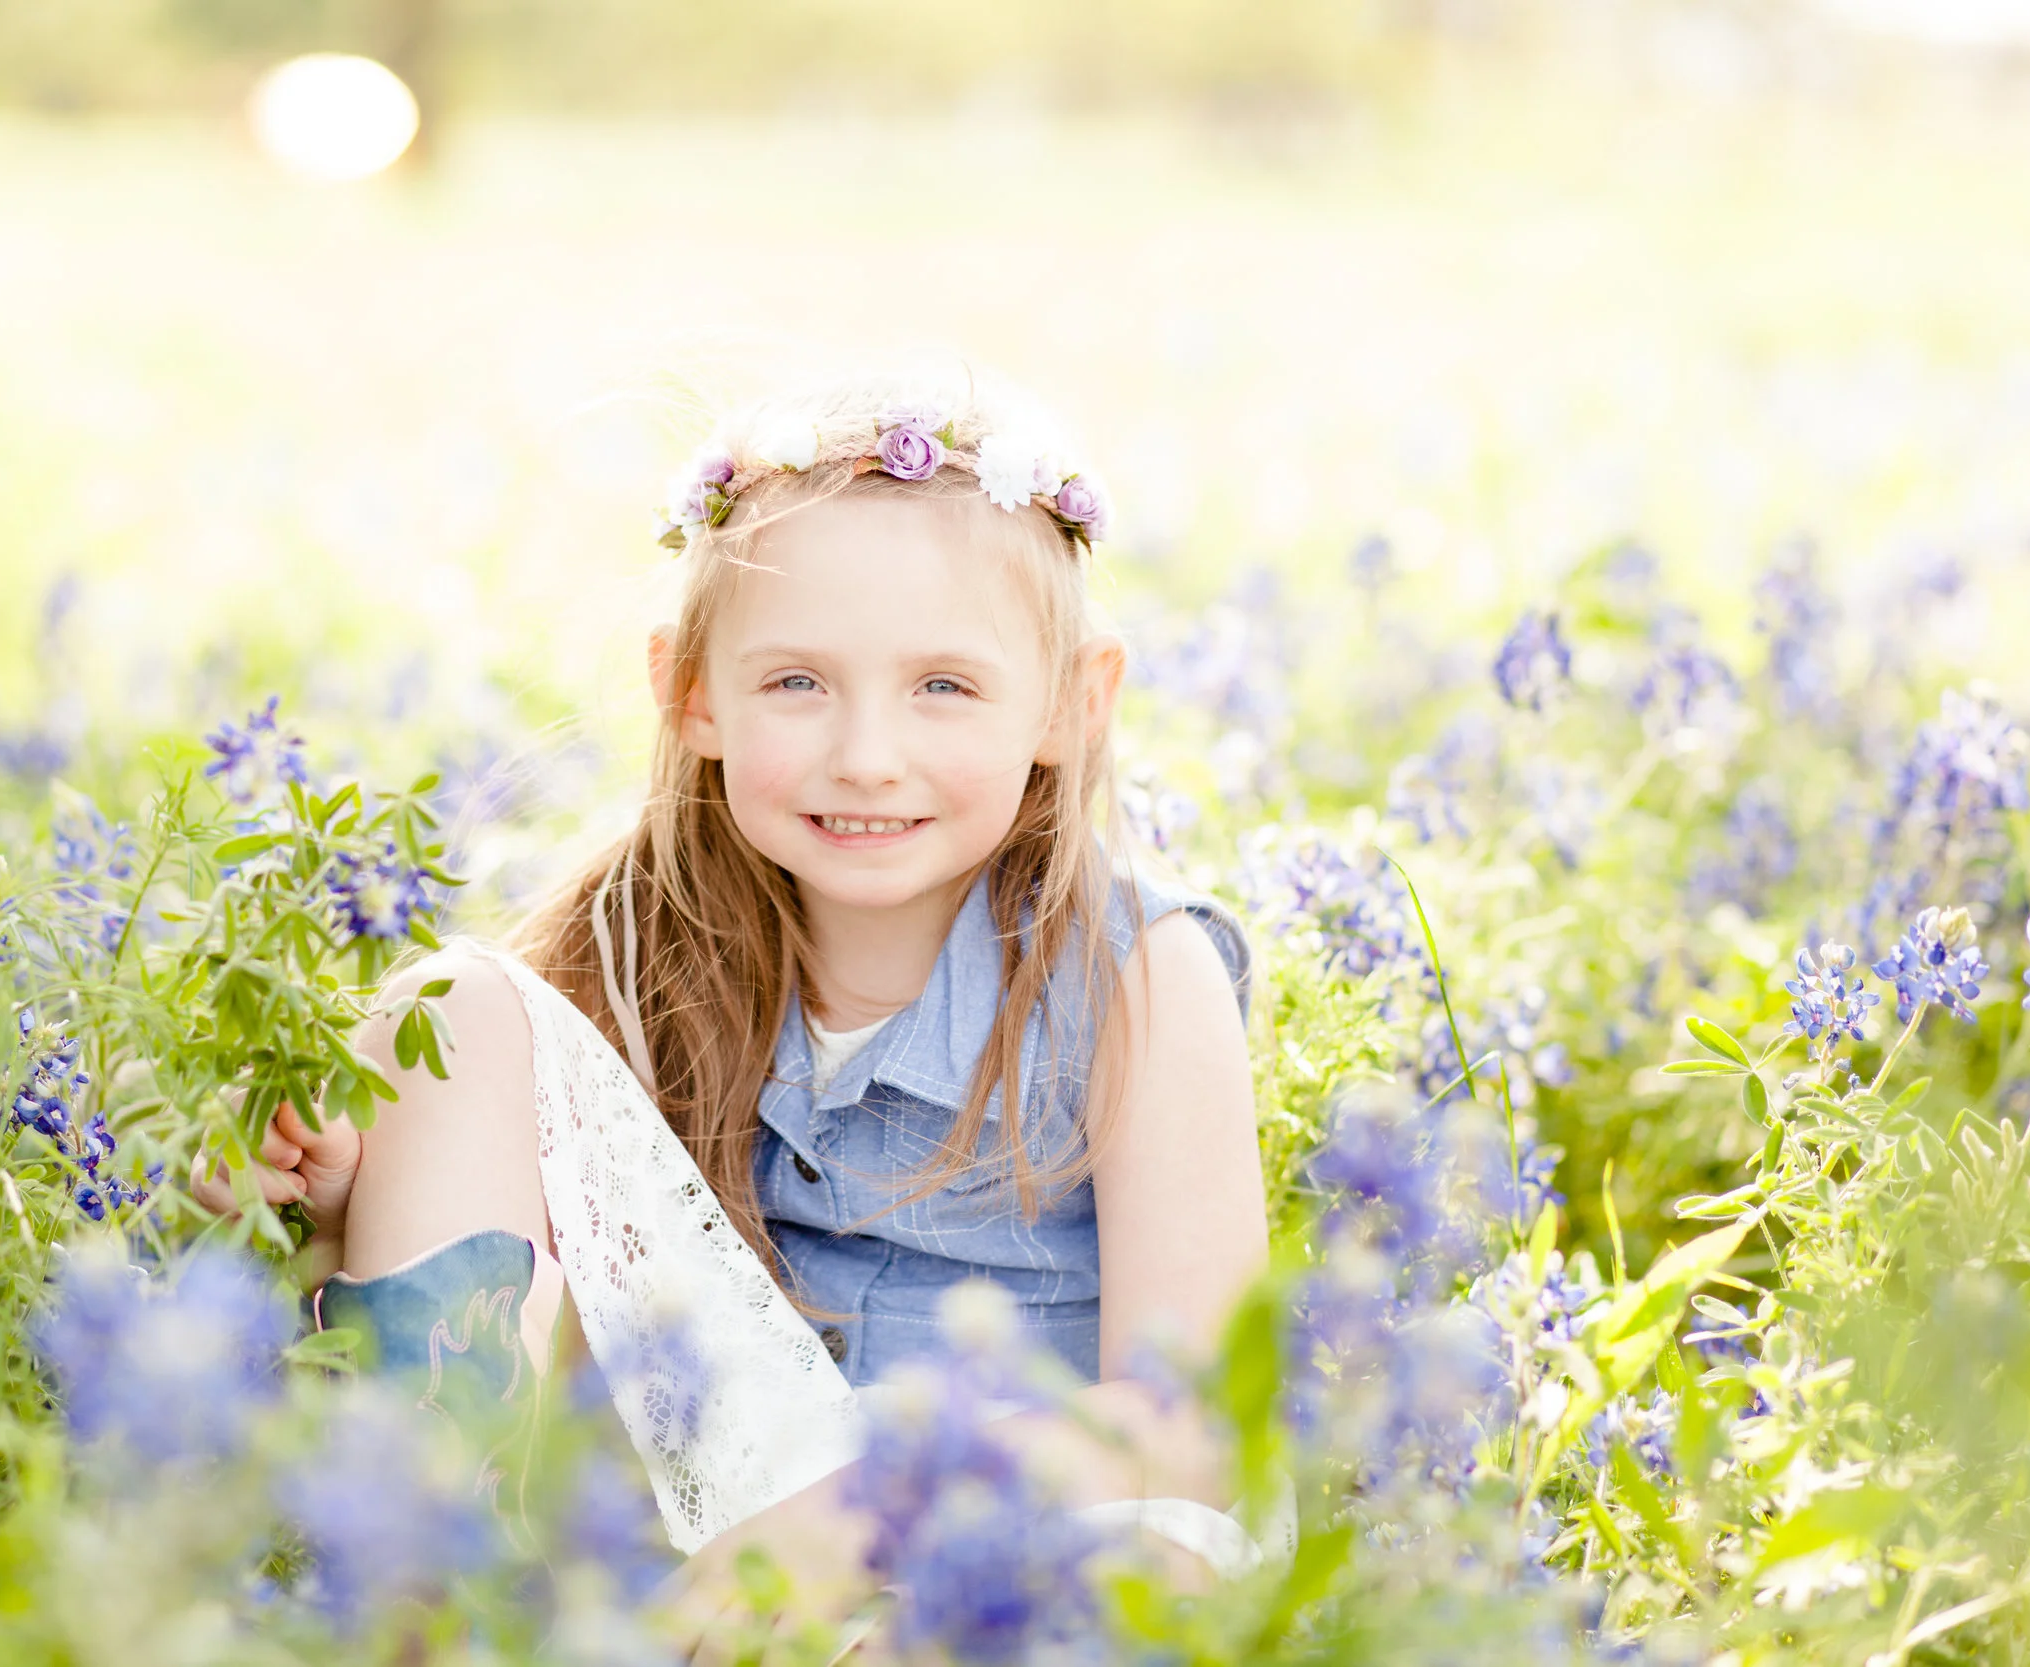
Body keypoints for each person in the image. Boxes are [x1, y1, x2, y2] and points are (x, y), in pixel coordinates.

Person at [192, 373, 1271, 1642]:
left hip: (1029, 1524)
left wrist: (858, 1514)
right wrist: (328, 1184)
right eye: (798, 683)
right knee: (451, 1003)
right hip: (724, 1517)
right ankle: (428, 1584)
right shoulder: (646, 937)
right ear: (691, 693)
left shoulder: (1136, 969)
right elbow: (551, 1223)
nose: (866, 752)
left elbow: (1188, 1426)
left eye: (944, 686)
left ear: (1070, 703)